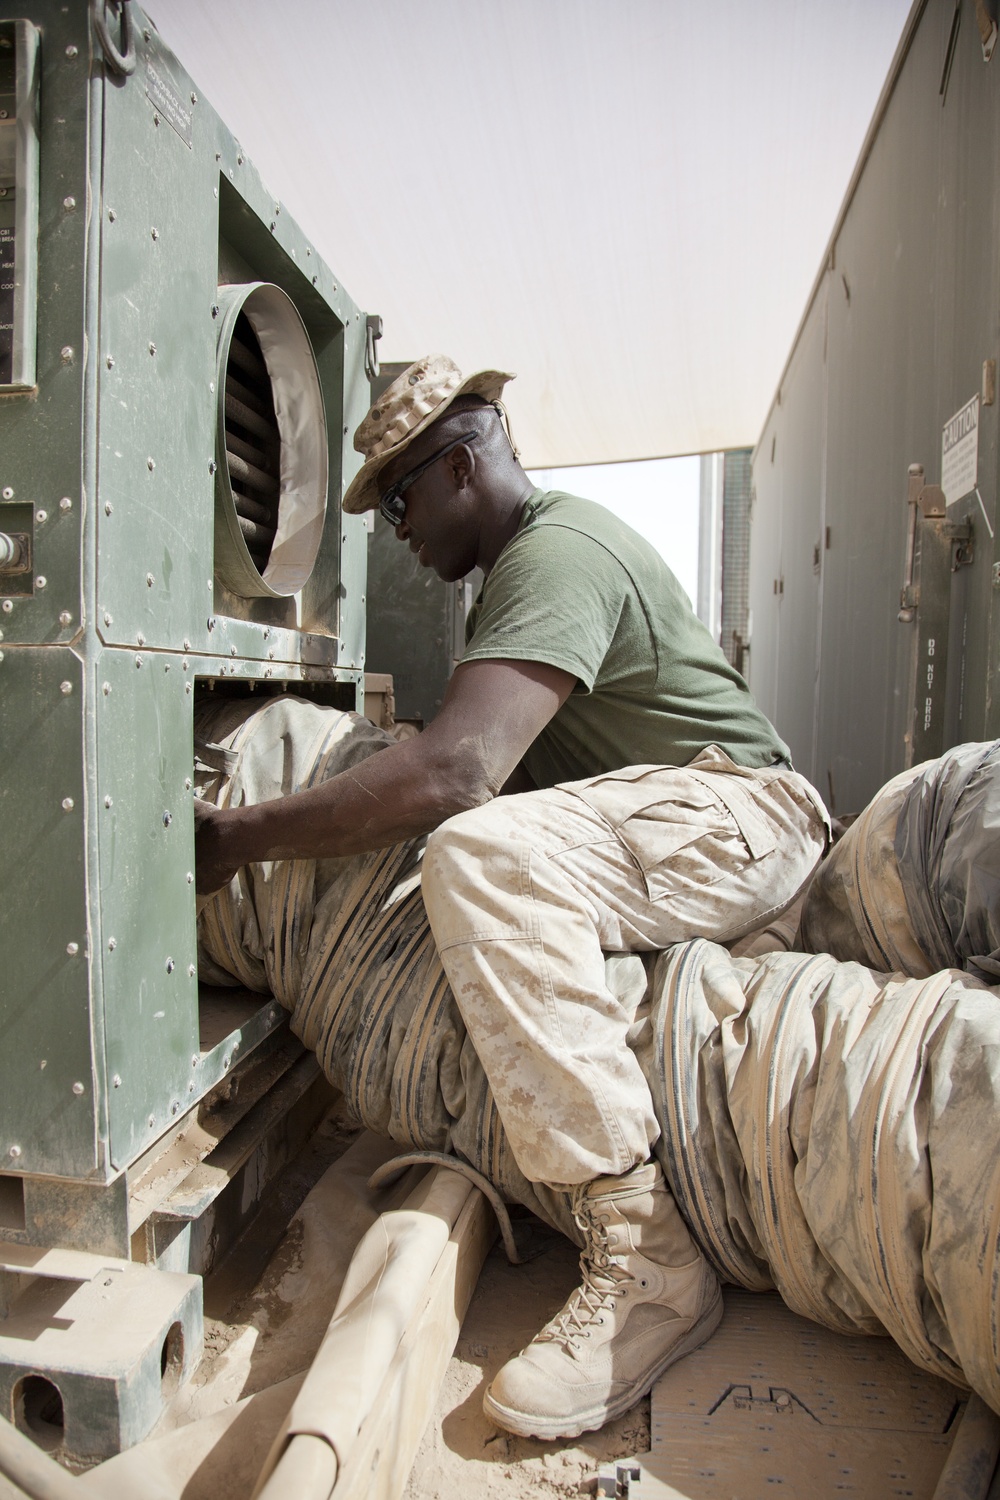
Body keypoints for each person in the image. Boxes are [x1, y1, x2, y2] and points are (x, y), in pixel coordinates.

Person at [195, 354, 830, 1441]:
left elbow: (455, 778)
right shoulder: (517, 574)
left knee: (477, 857)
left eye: (398, 496)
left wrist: (239, 838)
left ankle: (648, 1257)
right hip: (699, 838)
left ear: (461, 463)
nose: (394, 527)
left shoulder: (557, 555)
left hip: (746, 824)